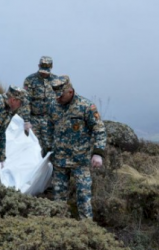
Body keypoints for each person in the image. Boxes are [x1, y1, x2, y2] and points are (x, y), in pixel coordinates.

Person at [47, 75, 107, 220]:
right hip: (60, 161)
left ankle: (87, 230)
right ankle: (59, 229)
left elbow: (99, 129)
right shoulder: (53, 106)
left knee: (83, 198)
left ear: (70, 91)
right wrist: (47, 149)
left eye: (60, 95)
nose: (57, 98)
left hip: (80, 161)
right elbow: (49, 128)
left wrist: (98, 153)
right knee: (58, 199)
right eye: (55, 95)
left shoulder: (86, 106)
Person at [20, 56, 58, 156]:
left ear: (51, 67)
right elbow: (26, 101)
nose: (44, 74)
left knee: (49, 146)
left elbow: (60, 100)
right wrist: (26, 120)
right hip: (34, 119)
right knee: (33, 146)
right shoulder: (30, 80)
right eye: (42, 71)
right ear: (38, 66)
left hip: (49, 120)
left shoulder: (56, 81)